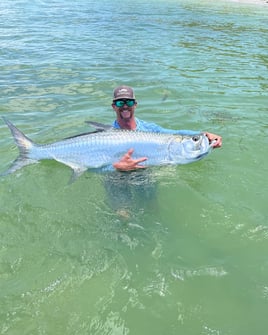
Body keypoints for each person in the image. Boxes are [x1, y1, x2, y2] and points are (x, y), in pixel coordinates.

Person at [111, 85, 222, 171]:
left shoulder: (150, 129)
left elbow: (175, 134)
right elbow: (94, 166)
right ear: (114, 106)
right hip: (117, 177)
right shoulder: (108, 134)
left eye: (129, 102)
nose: (125, 106)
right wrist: (117, 167)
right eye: (120, 103)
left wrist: (204, 134)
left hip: (144, 175)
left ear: (135, 105)